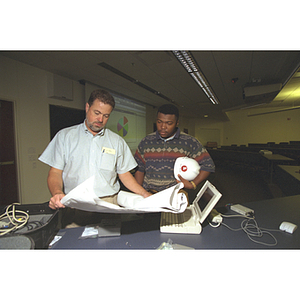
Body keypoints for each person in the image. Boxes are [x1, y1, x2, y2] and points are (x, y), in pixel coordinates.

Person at [39, 89, 151, 217]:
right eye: (96, 113)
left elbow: (124, 175)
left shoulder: (117, 141)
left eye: (106, 116)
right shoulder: (65, 137)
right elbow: (55, 172)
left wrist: (144, 193)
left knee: (111, 237)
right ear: (87, 107)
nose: (100, 119)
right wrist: (57, 192)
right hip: (76, 204)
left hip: (109, 204)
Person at [134, 104, 215, 195]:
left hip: (176, 194)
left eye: (169, 123)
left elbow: (208, 165)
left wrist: (193, 184)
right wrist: (139, 193)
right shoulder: (146, 141)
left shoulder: (189, 141)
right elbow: (139, 168)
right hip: (149, 193)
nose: (163, 127)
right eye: (159, 122)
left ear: (177, 123)